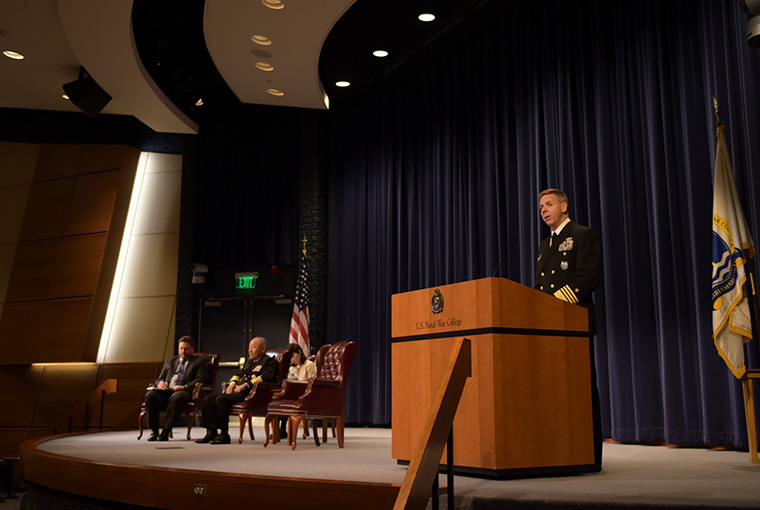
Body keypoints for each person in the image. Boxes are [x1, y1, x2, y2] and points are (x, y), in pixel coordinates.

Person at [534, 188, 603, 469]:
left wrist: (555, 302)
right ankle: (559, 451)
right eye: (540, 207)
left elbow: (589, 278)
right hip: (549, 326)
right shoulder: (544, 246)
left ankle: (589, 455)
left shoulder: (582, 234)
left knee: (580, 389)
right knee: (553, 390)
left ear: (564, 206)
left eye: (549, 204)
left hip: (573, 321)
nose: (544, 210)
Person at [196, 336, 277, 445]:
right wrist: (232, 383)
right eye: (249, 347)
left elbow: (267, 377)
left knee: (221, 399)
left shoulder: (268, 361)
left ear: (263, 349)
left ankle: (224, 434)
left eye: (253, 347)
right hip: (238, 391)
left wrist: (244, 385)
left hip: (251, 393)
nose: (250, 350)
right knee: (209, 399)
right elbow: (239, 374)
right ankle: (211, 432)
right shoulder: (250, 361)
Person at [143, 335, 209, 442]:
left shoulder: (200, 362)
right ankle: (154, 431)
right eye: (181, 349)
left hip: (184, 390)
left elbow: (200, 379)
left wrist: (183, 387)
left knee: (177, 397)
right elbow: (159, 378)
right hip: (167, 390)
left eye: (186, 349)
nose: (183, 351)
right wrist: (160, 383)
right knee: (150, 396)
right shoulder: (170, 361)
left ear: (193, 349)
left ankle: (165, 431)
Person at [278, 342, 317, 438]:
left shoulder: (309, 365)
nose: (292, 359)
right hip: (295, 393)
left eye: (294, 356)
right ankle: (280, 430)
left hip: (306, 394)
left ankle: (283, 430)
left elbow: (313, 383)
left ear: (299, 352)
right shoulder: (292, 368)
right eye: (291, 357)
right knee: (281, 400)